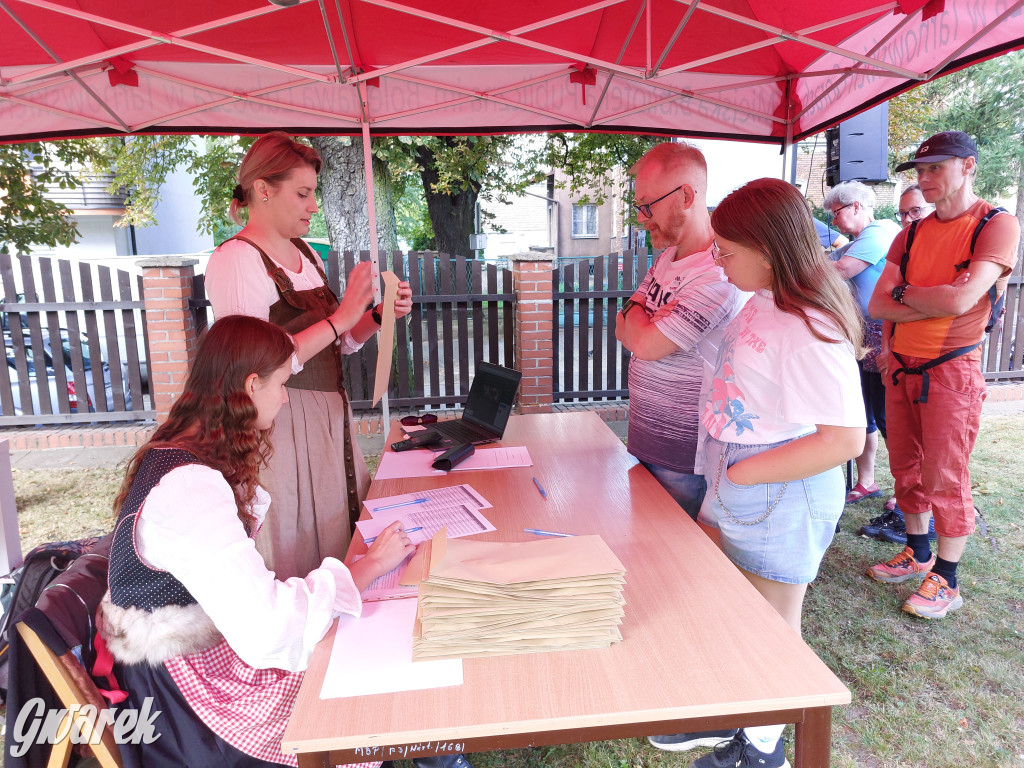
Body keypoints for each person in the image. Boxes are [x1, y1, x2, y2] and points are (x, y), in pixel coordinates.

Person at [96, 315, 417, 767]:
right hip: (186, 700)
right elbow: (269, 632)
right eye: (283, 384)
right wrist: (364, 570)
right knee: (352, 674)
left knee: (351, 640)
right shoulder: (188, 488)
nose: (286, 398)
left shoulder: (179, 453)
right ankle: (430, 753)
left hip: (175, 666)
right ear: (251, 386)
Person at [648, 179, 865, 766]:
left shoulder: (810, 326)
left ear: (770, 250)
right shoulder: (764, 299)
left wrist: (744, 477)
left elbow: (843, 439)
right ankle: (730, 713)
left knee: (772, 623)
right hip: (743, 471)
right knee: (732, 604)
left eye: (726, 251)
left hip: (776, 485)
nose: (715, 261)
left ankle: (761, 746)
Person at [205, 131, 413, 581]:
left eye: (313, 193)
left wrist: (375, 317)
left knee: (338, 532)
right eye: (302, 193)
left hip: (327, 421)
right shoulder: (237, 260)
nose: (313, 206)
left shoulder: (305, 255)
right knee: (294, 546)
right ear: (263, 189)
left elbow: (337, 344)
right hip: (277, 428)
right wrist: (340, 317)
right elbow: (253, 367)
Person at [866, 131, 1019, 619]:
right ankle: (917, 549)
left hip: (951, 371)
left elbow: (961, 300)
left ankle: (947, 580)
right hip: (900, 366)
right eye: (920, 170)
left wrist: (906, 294)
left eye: (936, 168)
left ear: (968, 166)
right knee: (905, 466)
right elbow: (877, 303)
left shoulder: (996, 224)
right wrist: (907, 321)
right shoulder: (909, 232)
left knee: (945, 474)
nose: (924, 178)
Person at [615, 141, 746, 520]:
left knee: (670, 560)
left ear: (686, 196)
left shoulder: (718, 272)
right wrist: (640, 319)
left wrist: (640, 316)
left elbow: (644, 341)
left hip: (684, 455)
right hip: (645, 437)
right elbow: (622, 324)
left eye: (647, 205)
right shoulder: (668, 257)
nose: (641, 218)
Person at [821, 182, 900, 512]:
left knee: (888, 416)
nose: (834, 222)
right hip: (860, 337)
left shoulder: (881, 231)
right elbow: (825, 261)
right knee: (863, 413)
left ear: (855, 206)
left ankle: (906, 489)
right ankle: (867, 481)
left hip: (884, 337)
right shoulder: (856, 242)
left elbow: (840, 270)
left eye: (836, 213)